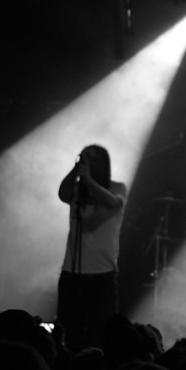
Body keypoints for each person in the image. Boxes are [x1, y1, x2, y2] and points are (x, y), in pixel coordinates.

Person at [56, 144, 127, 352]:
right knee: (69, 331)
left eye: (94, 159)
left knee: (101, 333)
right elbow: (62, 193)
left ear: (104, 163)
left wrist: (88, 180)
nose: (90, 163)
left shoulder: (117, 188)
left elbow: (113, 202)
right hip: (73, 271)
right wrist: (75, 168)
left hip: (102, 274)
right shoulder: (78, 190)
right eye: (86, 158)